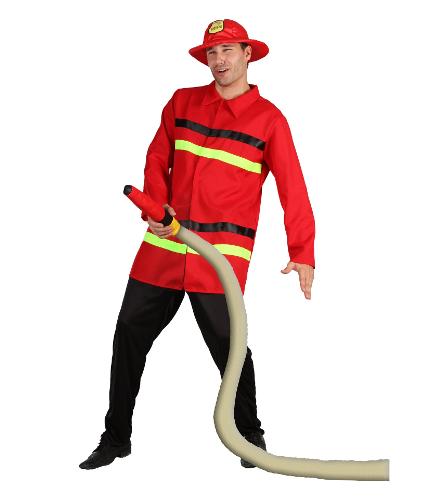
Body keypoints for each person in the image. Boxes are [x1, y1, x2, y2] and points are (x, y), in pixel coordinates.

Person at [79, 18, 315, 471]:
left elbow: (293, 188)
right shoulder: (182, 103)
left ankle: (250, 436)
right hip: (163, 248)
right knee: (128, 333)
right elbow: (157, 157)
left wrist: (302, 250)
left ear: (248, 54)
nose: (219, 60)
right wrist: (154, 207)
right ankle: (115, 438)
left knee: (231, 346)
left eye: (228, 50)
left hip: (219, 258)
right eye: (212, 52)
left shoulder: (270, 121)